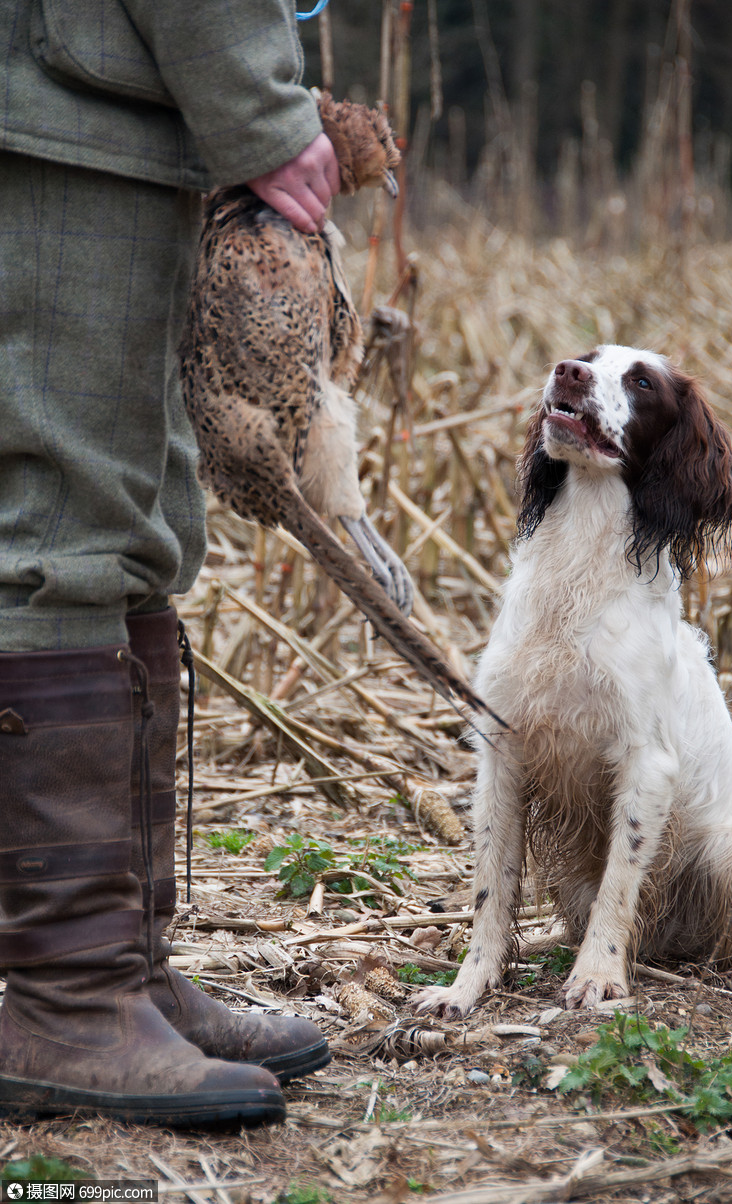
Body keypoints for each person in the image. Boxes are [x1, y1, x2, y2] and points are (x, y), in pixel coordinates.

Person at [0, 0, 339, 1127]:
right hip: (63, 110)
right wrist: (262, 109)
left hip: (105, 112)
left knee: (137, 526)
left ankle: (124, 971)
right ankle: (68, 997)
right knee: (68, 530)